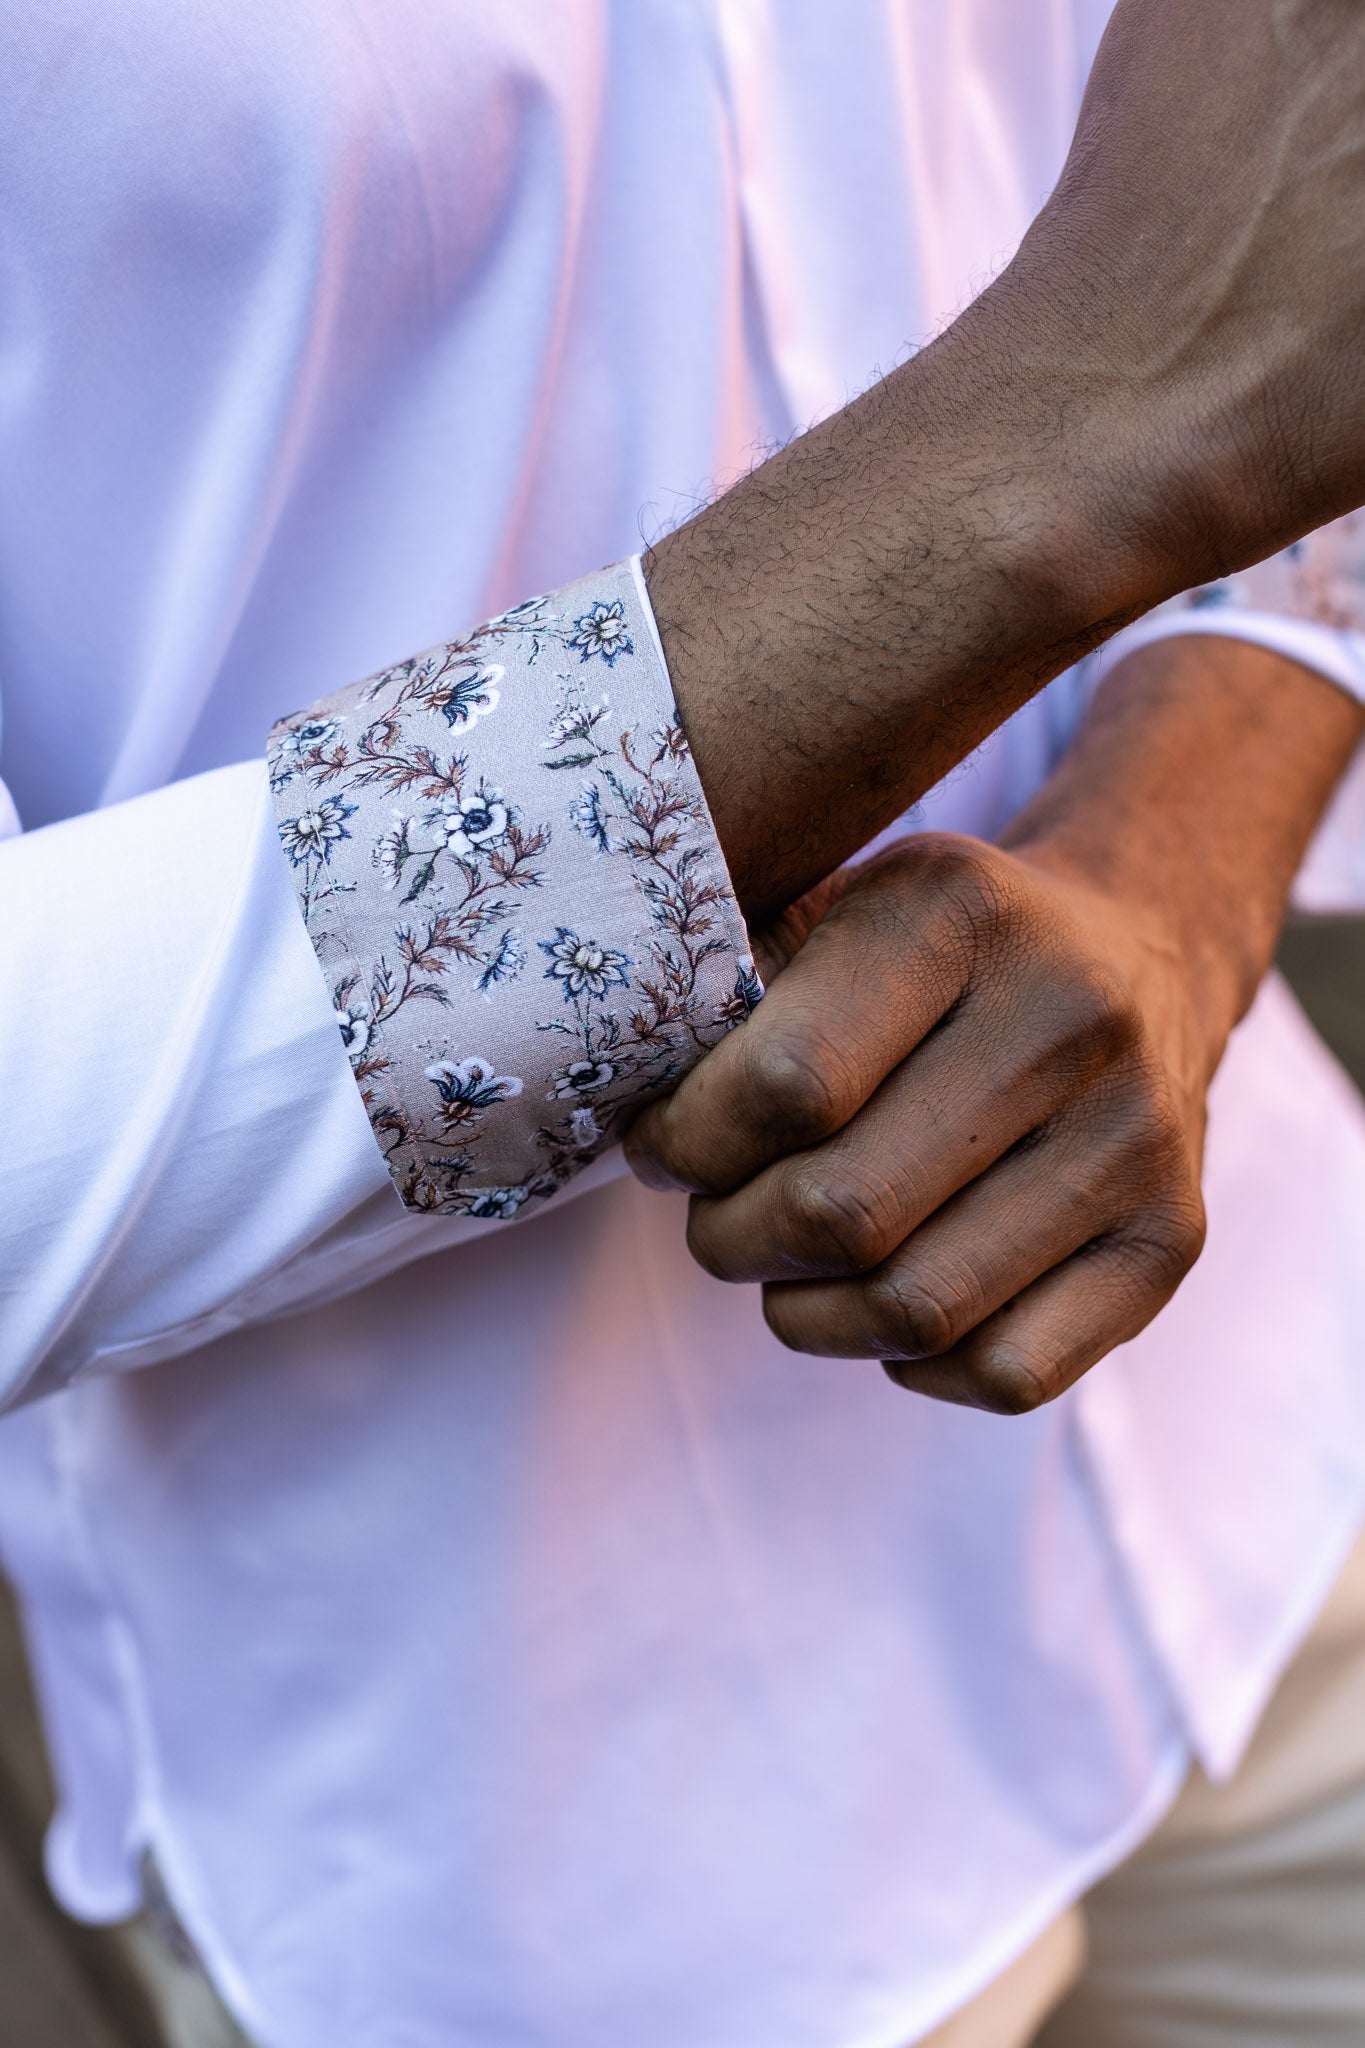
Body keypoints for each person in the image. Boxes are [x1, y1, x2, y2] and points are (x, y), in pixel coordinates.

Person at [1, 2, 1364, 2044]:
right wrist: (1046, 445)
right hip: (559, 1839)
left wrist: (1176, 862)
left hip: (1268, 1435)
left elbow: (1272, 216)